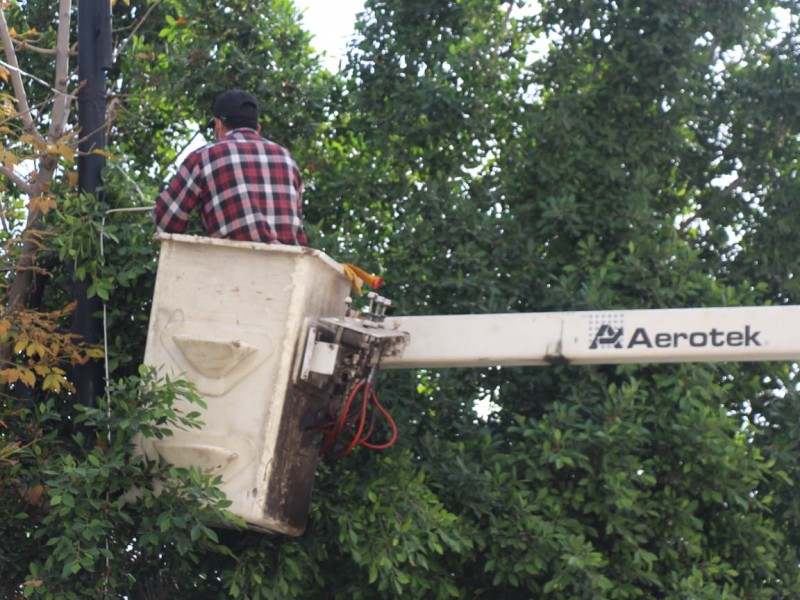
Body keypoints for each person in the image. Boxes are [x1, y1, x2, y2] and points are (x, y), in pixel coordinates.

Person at [153, 89, 308, 246]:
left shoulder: (204, 156)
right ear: (258, 128)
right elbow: (298, 222)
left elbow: (167, 221)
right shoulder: (287, 158)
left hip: (230, 264)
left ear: (218, 124)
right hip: (287, 265)